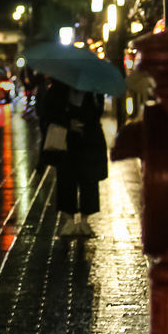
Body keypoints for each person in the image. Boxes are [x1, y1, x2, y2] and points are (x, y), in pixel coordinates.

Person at [41, 78, 107, 237]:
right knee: (66, 178)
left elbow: (98, 111)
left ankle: (85, 220)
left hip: (89, 138)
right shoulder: (58, 88)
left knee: (89, 179)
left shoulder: (94, 90)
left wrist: (85, 122)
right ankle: (69, 219)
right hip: (66, 139)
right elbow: (48, 111)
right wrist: (68, 122)